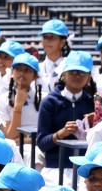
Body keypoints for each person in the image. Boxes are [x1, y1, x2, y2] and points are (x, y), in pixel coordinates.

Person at [37, 51, 94, 184]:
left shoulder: (92, 103)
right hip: (55, 168)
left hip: (86, 169)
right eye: (72, 72)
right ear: (63, 75)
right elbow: (42, 143)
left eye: (82, 73)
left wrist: (94, 125)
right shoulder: (49, 102)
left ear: (89, 77)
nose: (77, 76)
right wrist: (61, 134)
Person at [37, 19, 71, 95]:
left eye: (52, 37)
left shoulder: (69, 66)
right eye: (45, 37)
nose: (47, 41)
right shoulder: (37, 68)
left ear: (62, 42)